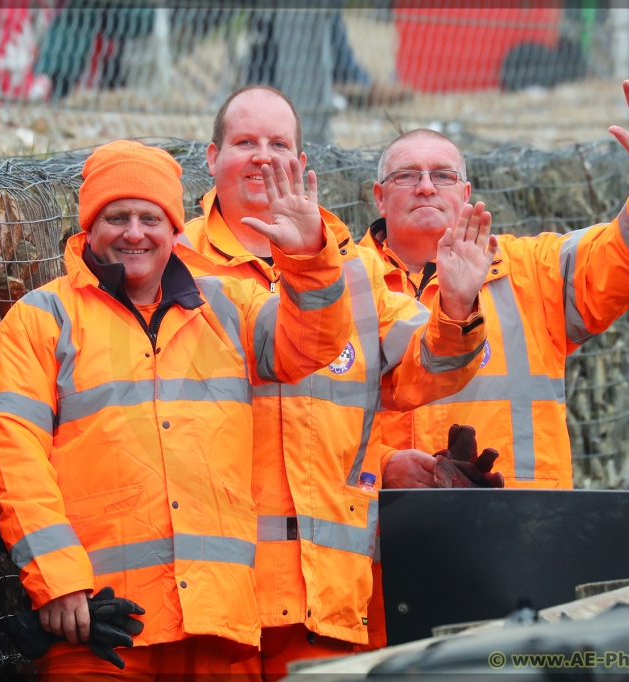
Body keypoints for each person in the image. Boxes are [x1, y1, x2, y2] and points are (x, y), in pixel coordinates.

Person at [0, 140, 353, 679]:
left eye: (150, 217)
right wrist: (59, 581)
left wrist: (309, 261)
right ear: (88, 227)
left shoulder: (228, 307)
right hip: (99, 627)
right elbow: (17, 460)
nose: (135, 232)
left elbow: (312, 346)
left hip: (215, 624)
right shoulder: (43, 319)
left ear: (175, 230)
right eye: (117, 217)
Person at [355, 70, 629, 650]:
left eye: (443, 176)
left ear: (467, 193)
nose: (426, 187)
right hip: (376, 555)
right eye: (406, 176)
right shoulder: (338, 288)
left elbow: (624, 253)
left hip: (521, 549)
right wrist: (381, 466)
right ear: (379, 197)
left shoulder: (532, 272)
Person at [181, 85, 494, 678]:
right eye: (245, 142)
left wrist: (457, 306)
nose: (264, 157)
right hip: (217, 597)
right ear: (211, 156)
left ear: (302, 163)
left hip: (324, 595)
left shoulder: (356, 274)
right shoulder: (174, 262)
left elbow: (428, 369)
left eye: (280, 144)